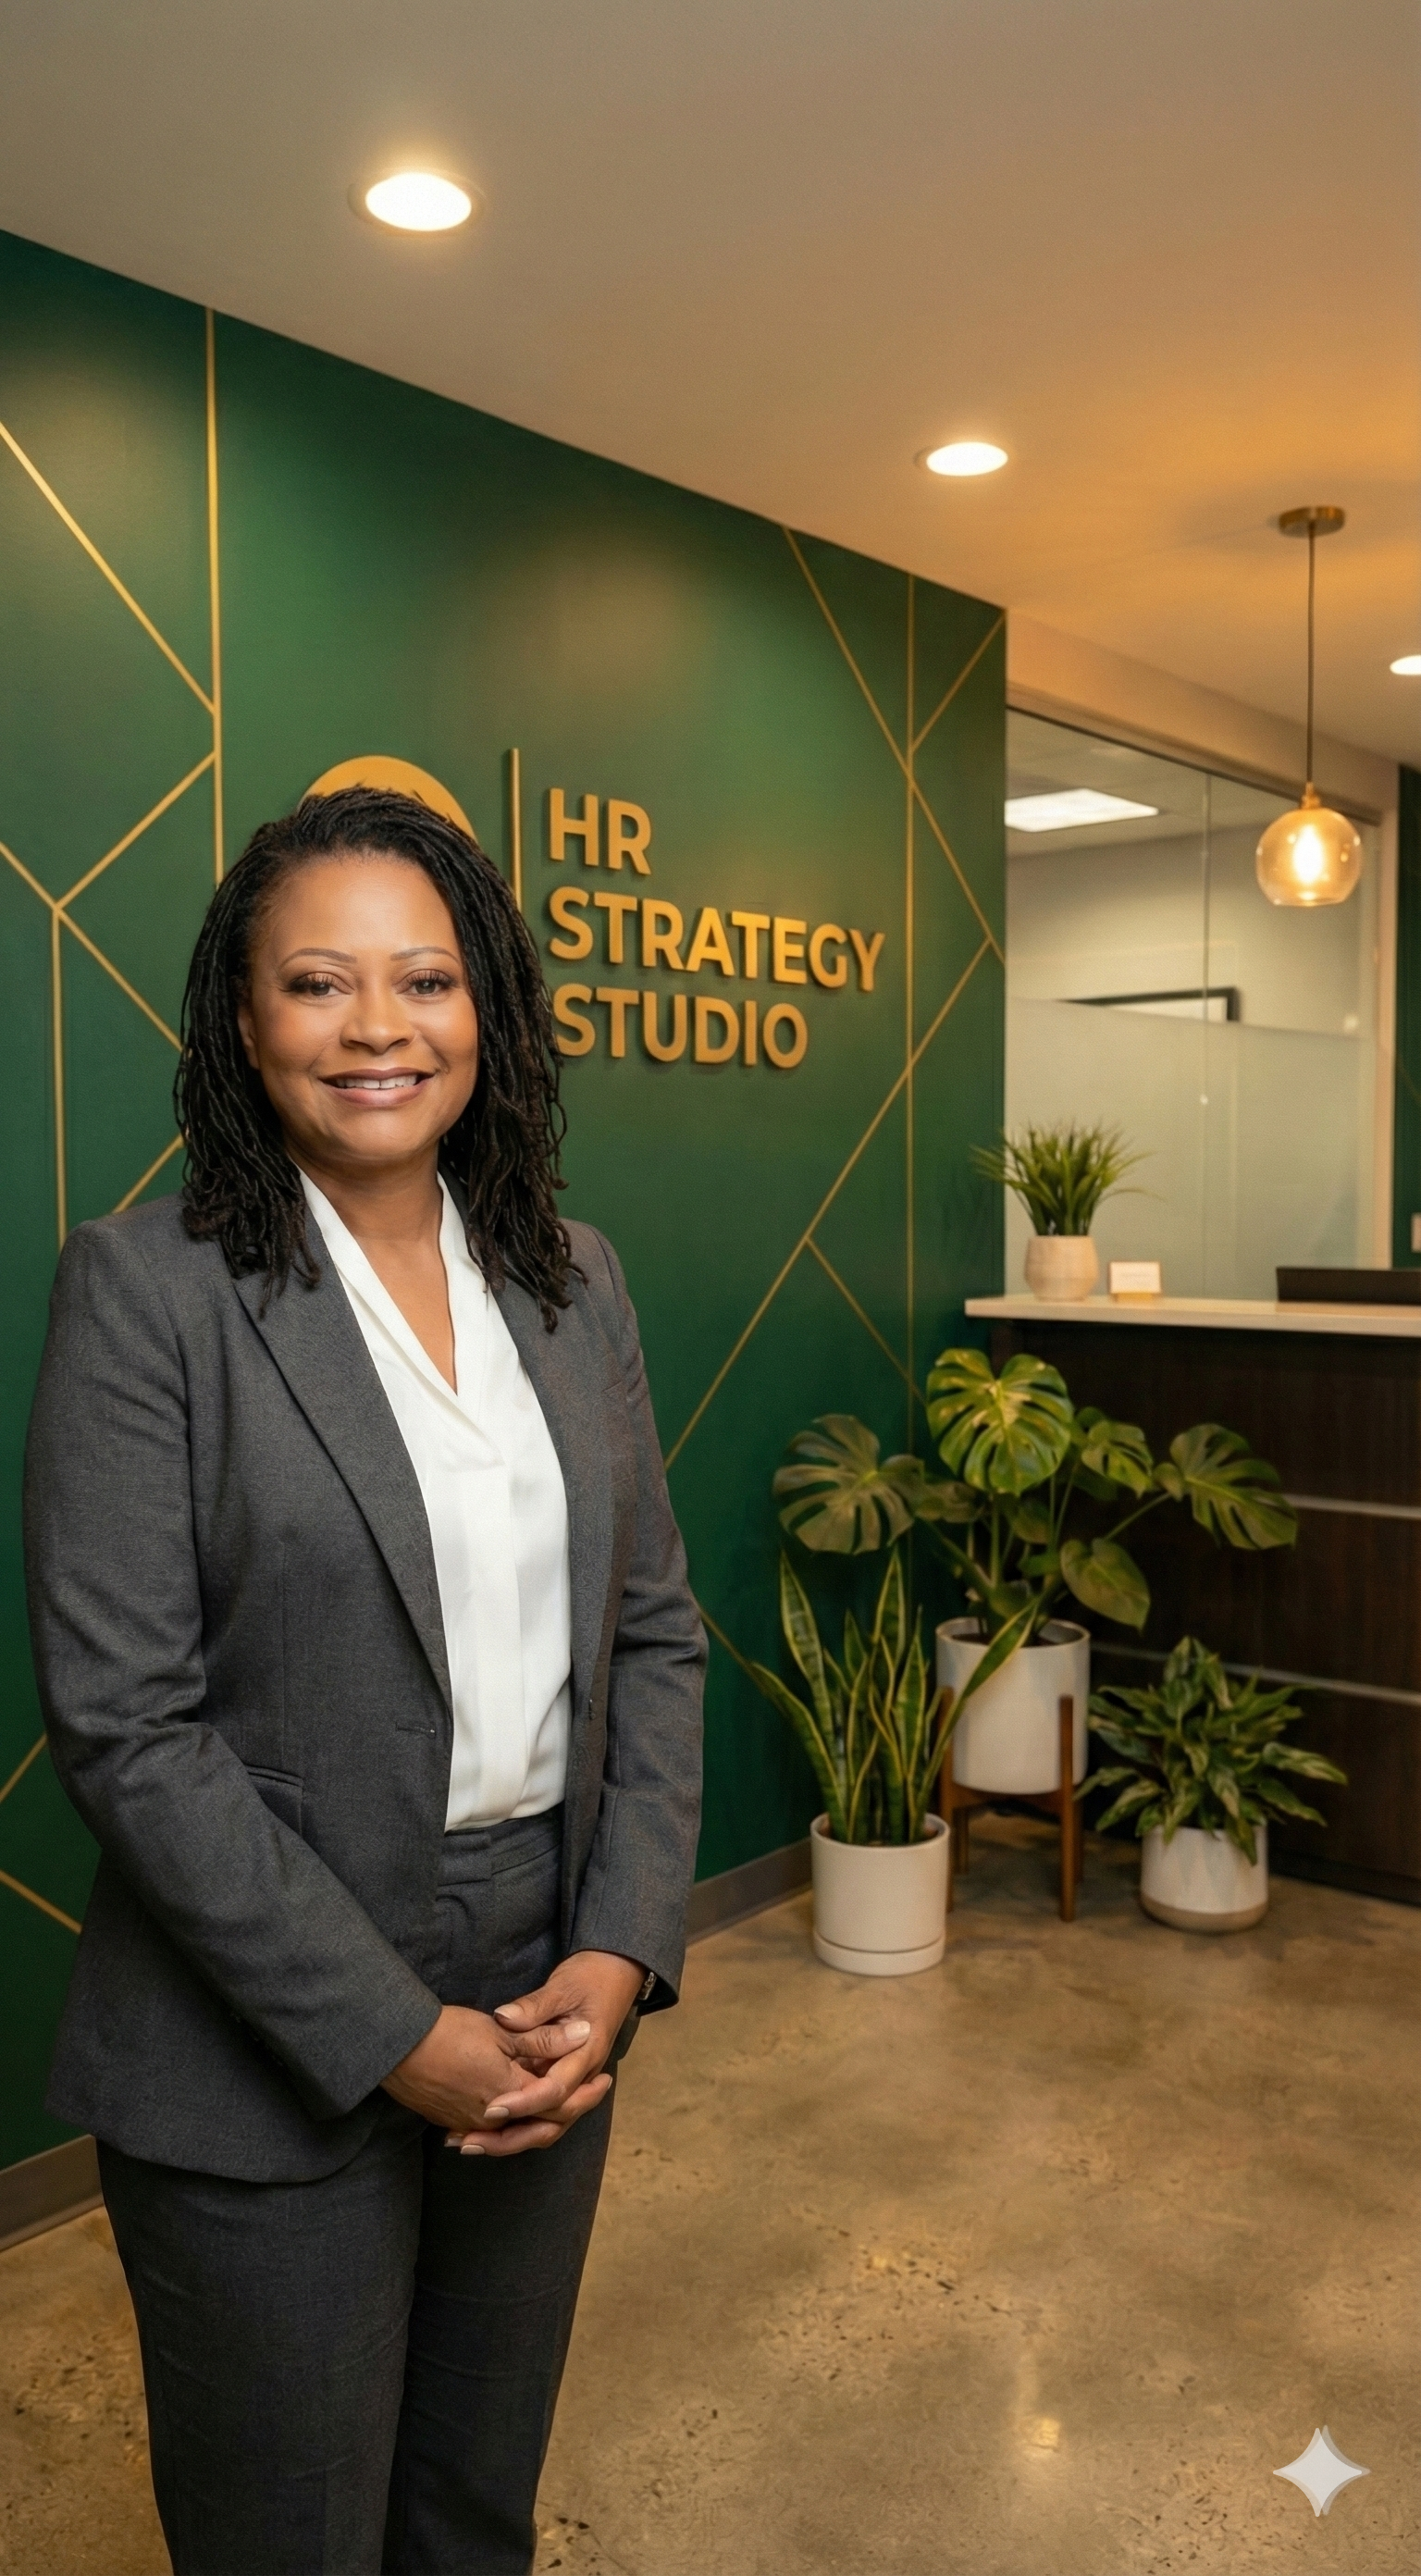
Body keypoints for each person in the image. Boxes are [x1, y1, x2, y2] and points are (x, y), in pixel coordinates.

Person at [23, 786, 705, 2576]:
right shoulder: (145, 1290)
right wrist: (394, 2038)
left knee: (472, 2508)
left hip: (548, 1971)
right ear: (243, 1023)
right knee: (292, 2538)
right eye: (319, 983)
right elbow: (127, 1727)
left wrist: (621, 1949)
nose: (380, 1028)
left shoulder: (574, 1281)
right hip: (265, 2014)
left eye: (427, 979)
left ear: (490, 1008)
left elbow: (650, 1629)